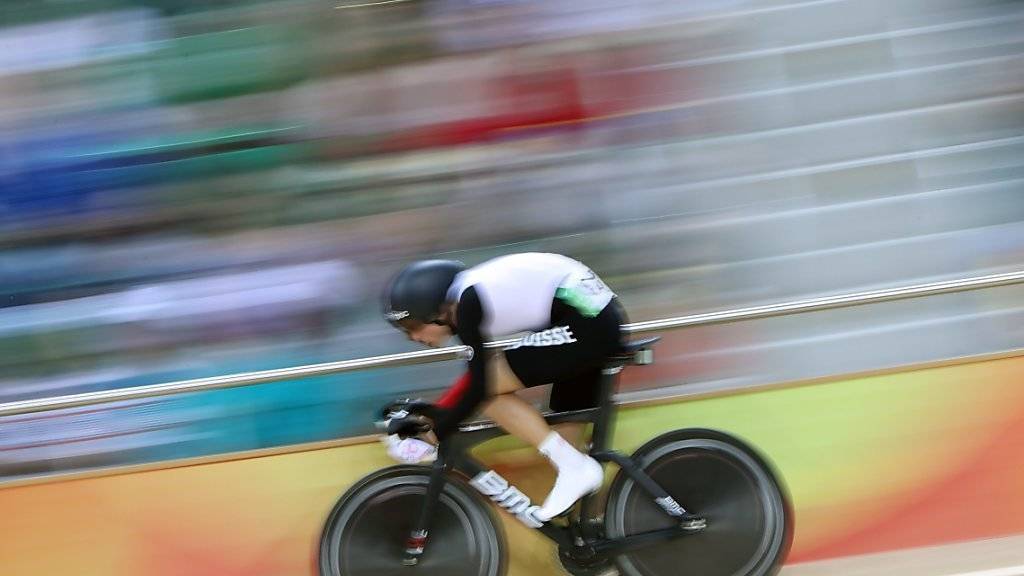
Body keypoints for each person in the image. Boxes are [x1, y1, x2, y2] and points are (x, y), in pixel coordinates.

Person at [382, 252, 627, 522]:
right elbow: (476, 379)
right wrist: (437, 411)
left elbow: (480, 386)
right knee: (567, 458)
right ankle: (598, 536)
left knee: (489, 394)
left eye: (413, 327)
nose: (414, 337)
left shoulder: (468, 302)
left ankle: (578, 471)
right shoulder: (468, 294)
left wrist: (435, 433)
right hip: (591, 321)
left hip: (589, 324)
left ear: (436, 313)